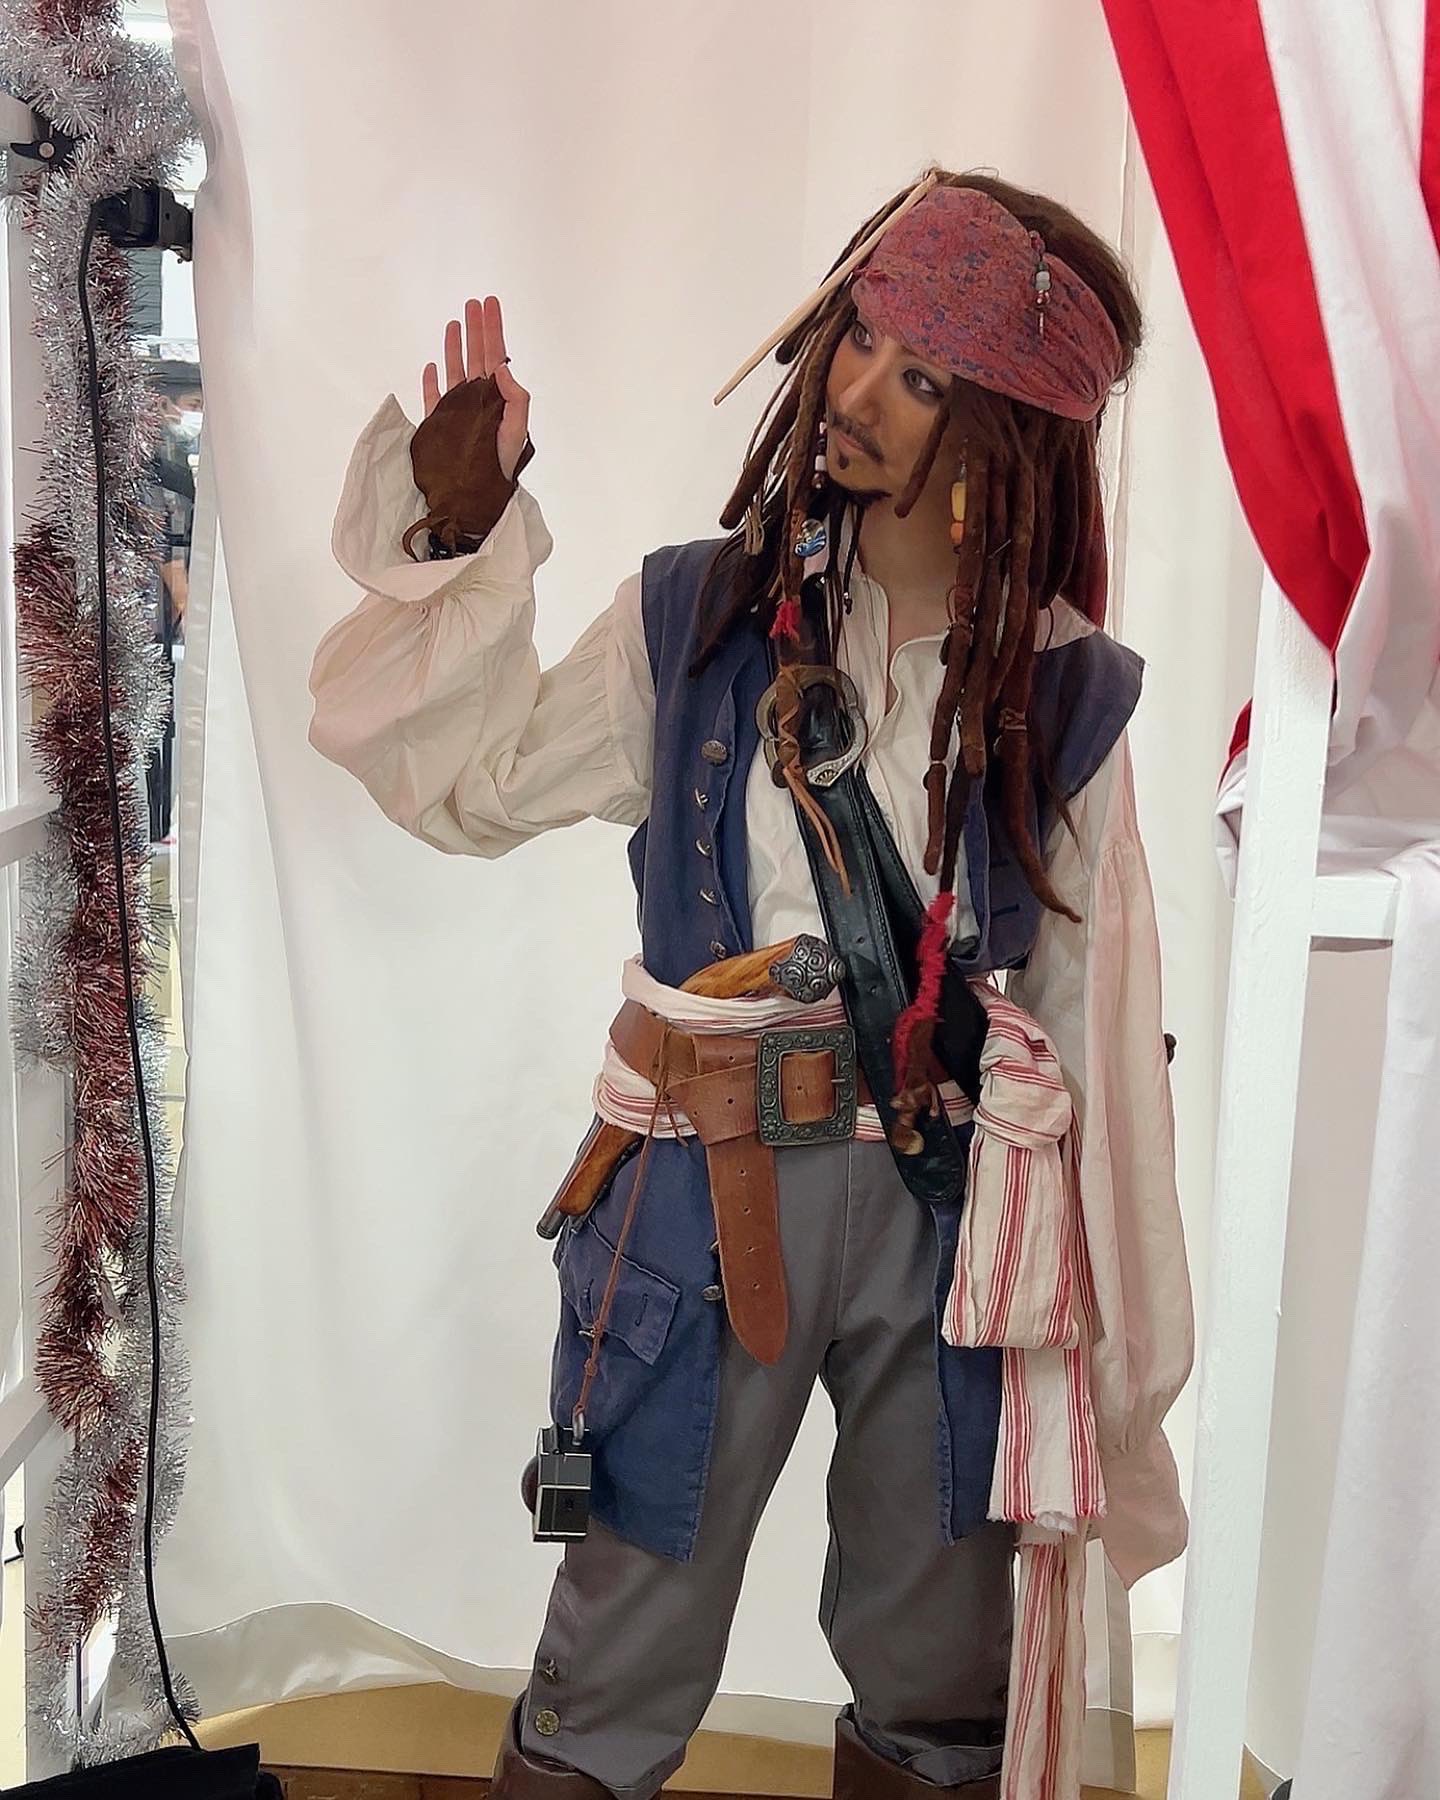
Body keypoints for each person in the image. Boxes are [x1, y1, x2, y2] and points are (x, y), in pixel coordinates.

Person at [308, 169, 1193, 1800]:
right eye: (860, 338)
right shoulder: (699, 618)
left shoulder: (1064, 688)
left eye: (923, 376)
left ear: (1010, 434)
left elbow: (1096, 1034)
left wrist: (1110, 1370)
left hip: (949, 1219)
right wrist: (455, 539)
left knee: (944, 1667)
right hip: (701, 1191)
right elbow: (472, 787)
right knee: (618, 1648)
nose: (857, 392)